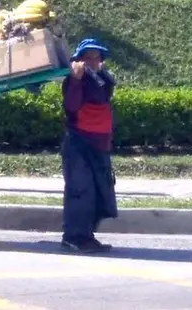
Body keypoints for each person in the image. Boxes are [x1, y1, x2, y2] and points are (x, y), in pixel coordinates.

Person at [60, 38, 118, 253]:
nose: (92, 61)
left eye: (96, 57)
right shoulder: (75, 80)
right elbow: (71, 105)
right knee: (80, 191)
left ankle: (86, 236)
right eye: (88, 57)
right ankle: (73, 237)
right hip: (79, 144)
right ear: (79, 59)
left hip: (98, 145)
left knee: (96, 193)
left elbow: (105, 97)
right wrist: (75, 79)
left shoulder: (102, 79)